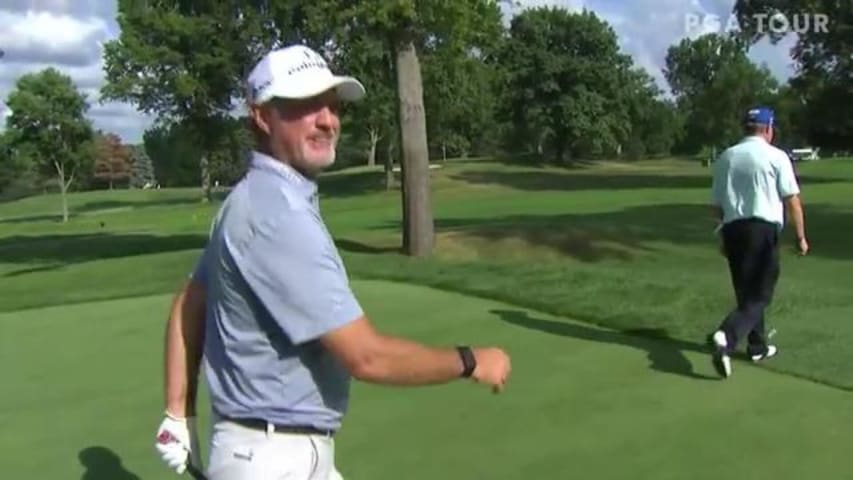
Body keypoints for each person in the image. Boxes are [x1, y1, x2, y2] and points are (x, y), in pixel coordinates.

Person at [153, 44, 512, 480]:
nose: (328, 120)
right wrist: (470, 360)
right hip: (275, 459)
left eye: (331, 105)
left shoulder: (250, 199)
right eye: (305, 106)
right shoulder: (278, 215)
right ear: (262, 117)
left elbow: (190, 299)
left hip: (268, 451)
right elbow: (367, 357)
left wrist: (179, 414)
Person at [707, 106, 809, 379]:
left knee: (746, 291)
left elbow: (716, 207)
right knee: (762, 294)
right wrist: (800, 237)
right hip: (761, 230)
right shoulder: (776, 156)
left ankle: (757, 346)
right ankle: (726, 336)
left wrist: (720, 236)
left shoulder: (726, 157)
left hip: (732, 230)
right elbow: (792, 200)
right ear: (767, 128)